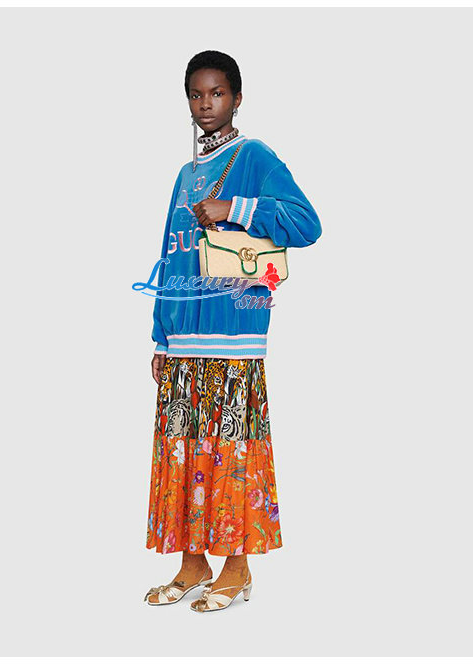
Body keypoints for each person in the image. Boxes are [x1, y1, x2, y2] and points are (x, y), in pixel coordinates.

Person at [143, 50, 322, 612]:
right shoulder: (184, 175)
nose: (206, 104)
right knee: (182, 454)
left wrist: (234, 208)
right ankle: (192, 564)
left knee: (231, 454)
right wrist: (162, 337)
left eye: (217, 93)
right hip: (184, 340)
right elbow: (170, 256)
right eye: (196, 94)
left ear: (237, 98)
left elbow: (307, 223)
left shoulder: (255, 156)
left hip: (235, 334)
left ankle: (237, 569)